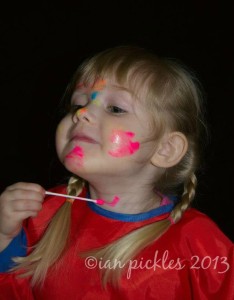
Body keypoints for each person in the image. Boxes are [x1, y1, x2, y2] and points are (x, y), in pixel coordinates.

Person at [0, 45, 233, 300]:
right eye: (77, 103)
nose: (82, 114)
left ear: (165, 149)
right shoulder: (40, 215)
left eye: (116, 109)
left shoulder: (200, 243)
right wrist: (4, 237)